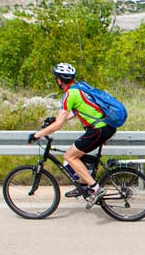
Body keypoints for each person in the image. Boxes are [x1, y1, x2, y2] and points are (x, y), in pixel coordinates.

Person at [27, 63, 117, 207]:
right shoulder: (81, 87)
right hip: (106, 126)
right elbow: (78, 111)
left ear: (59, 80)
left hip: (98, 129)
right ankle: (84, 184)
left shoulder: (69, 94)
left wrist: (37, 135)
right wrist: (56, 119)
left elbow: (58, 125)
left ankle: (95, 188)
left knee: (70, 156)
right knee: (75, 155)